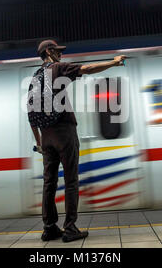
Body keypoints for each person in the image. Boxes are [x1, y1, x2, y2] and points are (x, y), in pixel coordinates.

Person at [29, 39, 126, 243]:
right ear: (49, 52)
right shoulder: (58, 68)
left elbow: (30, 114)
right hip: (64, 132)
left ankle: (49, 228)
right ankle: (70, 227)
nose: (61, 54)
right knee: (71, 180)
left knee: (49, 183)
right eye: (58, 51)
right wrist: (114, 62)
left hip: (45, 136)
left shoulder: (36, 76)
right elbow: (88, 69)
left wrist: (39, 142)